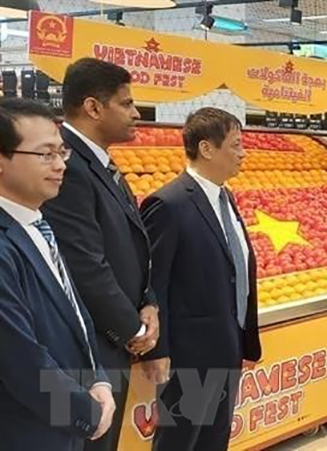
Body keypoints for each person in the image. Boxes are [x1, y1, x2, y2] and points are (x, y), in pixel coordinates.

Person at [41, 57, 161, 451]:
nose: (136, 113)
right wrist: (132, 330)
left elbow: (132, 244)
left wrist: (148, 302)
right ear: (93, 107)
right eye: (126, 103)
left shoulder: (101, 162)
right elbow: (84, 264)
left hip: (112, 340)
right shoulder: (68, 167)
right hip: (86, 348)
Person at [142, 108, 262, 450]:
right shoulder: (169, 204)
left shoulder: (226, 198)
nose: (243, 153)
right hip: (189, 354)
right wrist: (157, 350)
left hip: (227, 344)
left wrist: (244, 338)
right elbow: (153, 283)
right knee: (180, 440)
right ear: (206, 148)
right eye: (236, 145)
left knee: (214, 438)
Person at [0, 98, 114, 450]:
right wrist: (87, 414)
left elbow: (74, 314)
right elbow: (19, 360)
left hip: (59, 427)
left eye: (61, 152)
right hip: (23, 431)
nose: (60, 164)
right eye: (45, 154)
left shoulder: (37, 225)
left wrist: (98, 379)